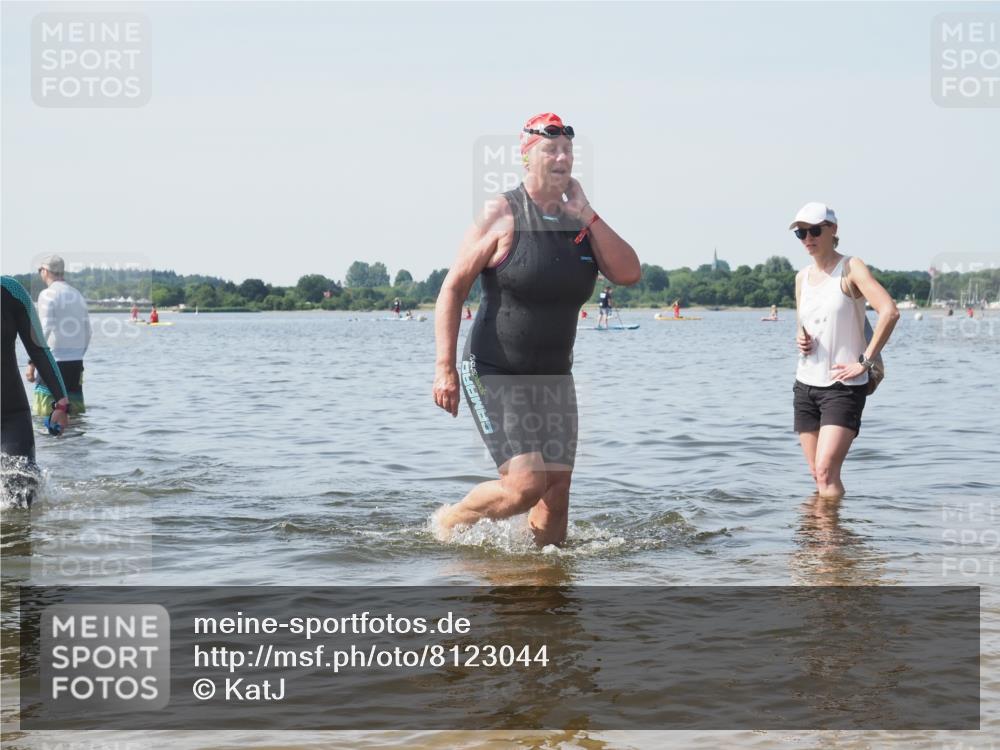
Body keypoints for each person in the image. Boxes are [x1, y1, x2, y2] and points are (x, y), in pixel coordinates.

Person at [432, 112, 641, 546]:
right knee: (525, 486)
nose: (562, 158)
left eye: (567, 150)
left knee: (557, 491)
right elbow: (452, 289)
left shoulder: (580, 223)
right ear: (526, 157)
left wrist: (586, 213)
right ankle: (450, 522)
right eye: (551, 150)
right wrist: (444, 368)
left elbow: (628, 273)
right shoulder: (502, 213)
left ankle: (544, 577)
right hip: (493, 369)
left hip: (554, 376)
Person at [792, 202, 899, 500]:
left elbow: (889, 312)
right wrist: (801, 339)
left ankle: (831, 531)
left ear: (833, 230)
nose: (808, 238)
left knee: (827, 472)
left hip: (843, 386)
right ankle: (818, 528)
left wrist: (865, 362)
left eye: (815, 231)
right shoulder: (801, 277)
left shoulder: (851, 267)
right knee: (817, 474)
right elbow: (802, 324)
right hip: (805, 385)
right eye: (801, 233)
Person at [2, 276, 70, 506]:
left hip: (11, 415)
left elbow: (39, 349)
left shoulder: (11, 292)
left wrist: (61, 403)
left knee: (21, 497)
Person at [24, 255, 91, 415]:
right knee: (74, 415)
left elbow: (44, 329)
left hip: (54, 363)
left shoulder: (47, 294)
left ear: (46, 271)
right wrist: (78, 354)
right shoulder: (77, 294)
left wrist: (32, 362)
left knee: (46, 415)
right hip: (76, 363)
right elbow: (88, 331)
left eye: (40, 270)